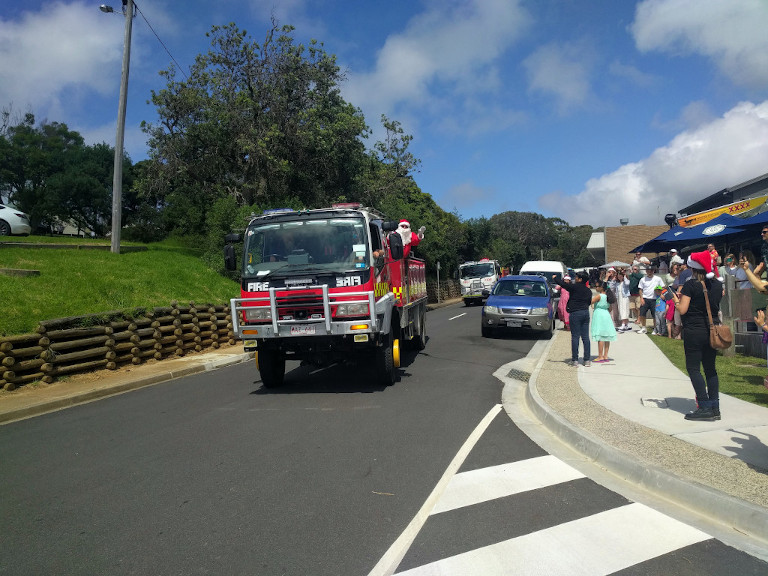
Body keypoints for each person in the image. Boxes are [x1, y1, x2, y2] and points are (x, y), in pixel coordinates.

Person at [670, 251, 723, 421]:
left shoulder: (691, 285)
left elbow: (683, 309)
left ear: (693, 267)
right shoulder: (716, 285)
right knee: (710, 368)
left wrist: (675, 299)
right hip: (712, 329)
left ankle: (704, 406)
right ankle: (715, 406)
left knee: (693, 368)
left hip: (694, 330)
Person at [554, 271, 593, 367]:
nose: (575, 279)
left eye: (576, 277)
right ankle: (587, 360)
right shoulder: (588, 290)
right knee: (585, 337)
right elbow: (589, 302)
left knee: (575, 337)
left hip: (575, 313)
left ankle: (575, 360)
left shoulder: (574, 287)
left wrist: (555, 278)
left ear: (580, 279)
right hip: (585, 312)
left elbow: (563, 284)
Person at [591, 279, 617, 362]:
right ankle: (605, 355)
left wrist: (593, 305)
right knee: (606, 336)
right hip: (606, 314)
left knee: (600, 336)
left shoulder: (599, 296)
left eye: (597, 286)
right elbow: (610, 308)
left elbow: (590, 301)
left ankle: (600, 356)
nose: (596, 287)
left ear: (601, 288)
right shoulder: (608, 297)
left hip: (599, 314)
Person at [635, 266, 663, 334]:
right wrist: (641, 298)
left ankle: (655, 329)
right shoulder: (643, 279)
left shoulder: (658, 279)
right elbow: (640, 289)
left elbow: (663, 287)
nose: (649, 272)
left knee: (654, 315)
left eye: (651, 270)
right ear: (646, 271)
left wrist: (660, 293)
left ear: (653, 271)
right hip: (645, 299)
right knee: (642, 314)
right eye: (648, 270)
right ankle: (644, 328)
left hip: (654, 299)